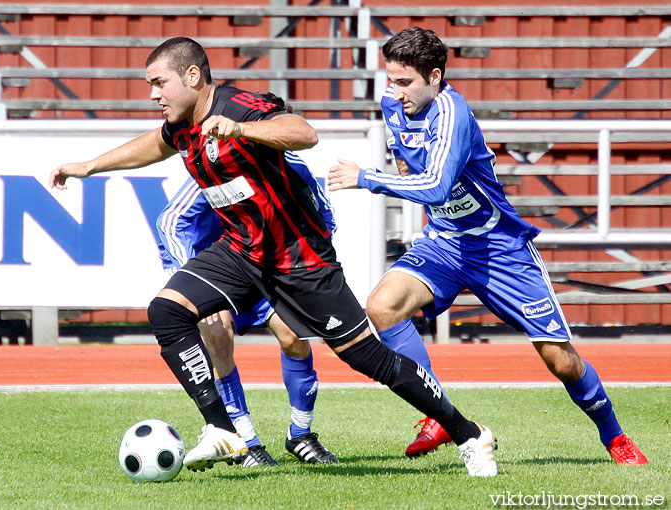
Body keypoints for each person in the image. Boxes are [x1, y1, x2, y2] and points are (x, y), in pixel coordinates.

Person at [50, 36, 497, 477]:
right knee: (167, 311)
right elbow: (156, 143)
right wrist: (90, 166)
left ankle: (469, 434)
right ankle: (222, 429)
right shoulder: (183, 123)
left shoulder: (237, 106)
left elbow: (303, 132)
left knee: (368, 359)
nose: (153, 94)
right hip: (240, 252)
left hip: (299, 260)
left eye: (159, 83)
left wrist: (243, 129)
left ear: (192, 76)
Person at [328, 26, 647, 466]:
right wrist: (408, 188)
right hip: (444, 243)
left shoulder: (453, 114)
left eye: (405, 82)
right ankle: (438, 414)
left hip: (499, 250)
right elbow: (408, 166)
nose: (394, 90)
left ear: (435, 76)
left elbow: (438, 186)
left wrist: (366, 177)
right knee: (382, 307)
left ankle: (614, 436)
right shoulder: (392, 107)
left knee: (560, 361)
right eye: (391, 79)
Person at [156, 107, 338, 466]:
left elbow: (324, 220)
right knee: (217, 331)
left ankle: (300, 435)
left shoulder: (296, 170)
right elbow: (171, 221)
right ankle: (244, 441)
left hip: (269, 269)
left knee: (293, 335)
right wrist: (189, 278)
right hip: (221, 269)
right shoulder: (219, 164)